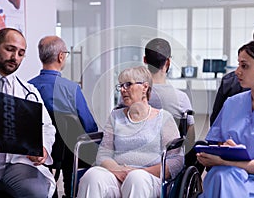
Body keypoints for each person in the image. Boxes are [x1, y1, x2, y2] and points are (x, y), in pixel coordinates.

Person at [77, 66, 183, 198]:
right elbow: (103, 155)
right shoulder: (115, 116)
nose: (122, 90)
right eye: (121, 86)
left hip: (149, 179)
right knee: (93, 176)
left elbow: (176, 161)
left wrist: (140, 171)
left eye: (128, 85)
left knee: (136, 178)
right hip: (117, 175)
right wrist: (120, 171)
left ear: (145, 88)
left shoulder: (164, 118)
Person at [197, 40, 254, 197]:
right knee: (221, 176)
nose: (237, 71)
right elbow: (216, 141)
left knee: (222, 177)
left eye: (245, 66)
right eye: (238, 65)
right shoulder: (232, 103)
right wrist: (220, 151)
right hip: (229, 175)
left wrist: (225, 162)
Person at [0, 28, 56, 197]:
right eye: (10, 49)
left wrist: (43, 149)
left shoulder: (29, 91)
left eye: (21, 53)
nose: (15, 58)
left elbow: (47, 127)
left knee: (36, 191)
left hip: (16, 164)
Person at [28, 35, 98, 198]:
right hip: (69, 156)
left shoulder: (28, 86)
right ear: (61, 56)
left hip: (38, 154)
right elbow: (89, 126)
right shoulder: (71, 89)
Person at [210, 21, 254, 126]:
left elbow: (214, 122)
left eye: (244, 65)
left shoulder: (230, 81)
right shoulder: (232, 100)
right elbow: (216, 131)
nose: (238, 72)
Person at [145, 38, 195, 148]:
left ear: (145, 60)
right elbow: (190, 140)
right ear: (168, 62)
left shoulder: (130, 96)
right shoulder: (181, 98)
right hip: (168, 158)